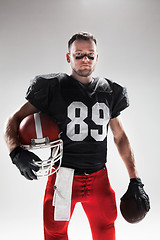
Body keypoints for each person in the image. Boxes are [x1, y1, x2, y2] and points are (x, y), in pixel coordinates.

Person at [4, 32, 150, 240]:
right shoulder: (53, 88)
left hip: (99, 177)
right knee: (55, 234)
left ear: (97, 57)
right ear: (68, 57)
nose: (85, 59)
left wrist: (135, 179)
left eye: (90, 54)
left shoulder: (109, 91)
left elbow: (120, 137)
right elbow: (14, 119)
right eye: (79, 54)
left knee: (106, 230)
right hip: (64, 177)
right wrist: (15, 152)